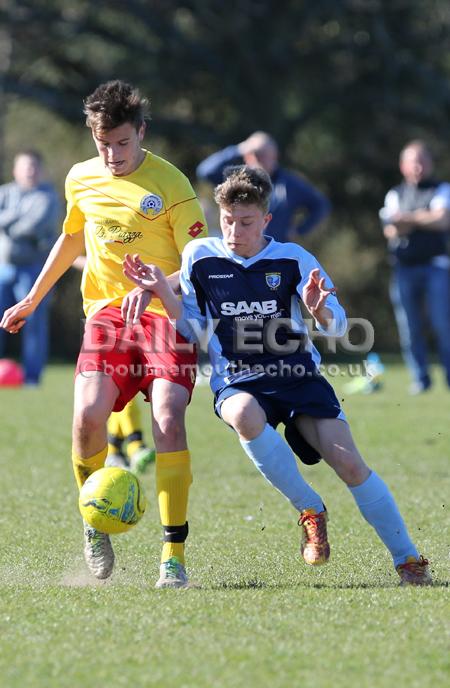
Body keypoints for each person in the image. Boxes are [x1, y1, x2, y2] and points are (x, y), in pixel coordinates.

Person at [123, 165, 432, 586]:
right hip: (238, 376)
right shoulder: (200, 256)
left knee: (350, 464)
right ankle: (310, 508)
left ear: (266, 220)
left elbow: (339, 328)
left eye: (246, 222)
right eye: (228, 220)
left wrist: (318, 308)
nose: (235, 230)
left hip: (297, 375)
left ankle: (408, 560)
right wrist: (163, 292)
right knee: (244, 414)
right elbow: (193, 330)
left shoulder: (293, 259)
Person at [0, 80, 207, 588]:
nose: (112, 155)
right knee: (87, 419)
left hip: (165, 315)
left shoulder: (172, 185)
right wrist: (34, 298)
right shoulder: (80, 179)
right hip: (108, 316)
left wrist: (159, 285)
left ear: (141, 132)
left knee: (167, 420)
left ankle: (172, 556)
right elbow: (72, 238)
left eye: (121, 143)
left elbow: (204, 261)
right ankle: (95, 524)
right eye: (102, 144)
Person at [72, 255, 155, 472]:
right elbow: (73, 256)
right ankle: (134, 446)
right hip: (108, 314)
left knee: (122, 393)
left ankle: (119, 448)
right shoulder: (92, 228)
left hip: (146, 313)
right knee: (114, 391)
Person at [380, 140, 450, 394]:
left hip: (436, 267)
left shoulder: (442, 189)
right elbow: (391, 230)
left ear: (430, 163)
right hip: (404, 268)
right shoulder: (395, 193)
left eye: (423, 160)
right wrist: (424, 216)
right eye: (413, 161)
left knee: (444, 325)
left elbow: (442, 220)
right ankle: (421, 379)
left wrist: (407, 219)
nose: (418, 166)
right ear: (403, 166)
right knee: (409, 328)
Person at [196, 131, 330, 243]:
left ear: (275, 156)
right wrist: (239, 149)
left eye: (265, 155)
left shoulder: (290, 184)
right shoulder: (236, 181)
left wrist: (298, 230)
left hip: (274, 255)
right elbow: (205, 171)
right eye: (257, 155)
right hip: (238, 254)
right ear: (248, 156)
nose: (261, 160)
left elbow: (320, 205)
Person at [0, 150, 60, 384]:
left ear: (41, 170)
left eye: (34, 167)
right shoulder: (4, 192)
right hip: (3, 267)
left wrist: (8, 222)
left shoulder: (47, 197)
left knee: (33, 323)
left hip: (33, 270)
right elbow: (21, 223)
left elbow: (32, 227)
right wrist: (18, 215)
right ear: (15, 170)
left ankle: (32, 378)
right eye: (25, 167)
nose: (29, 171)